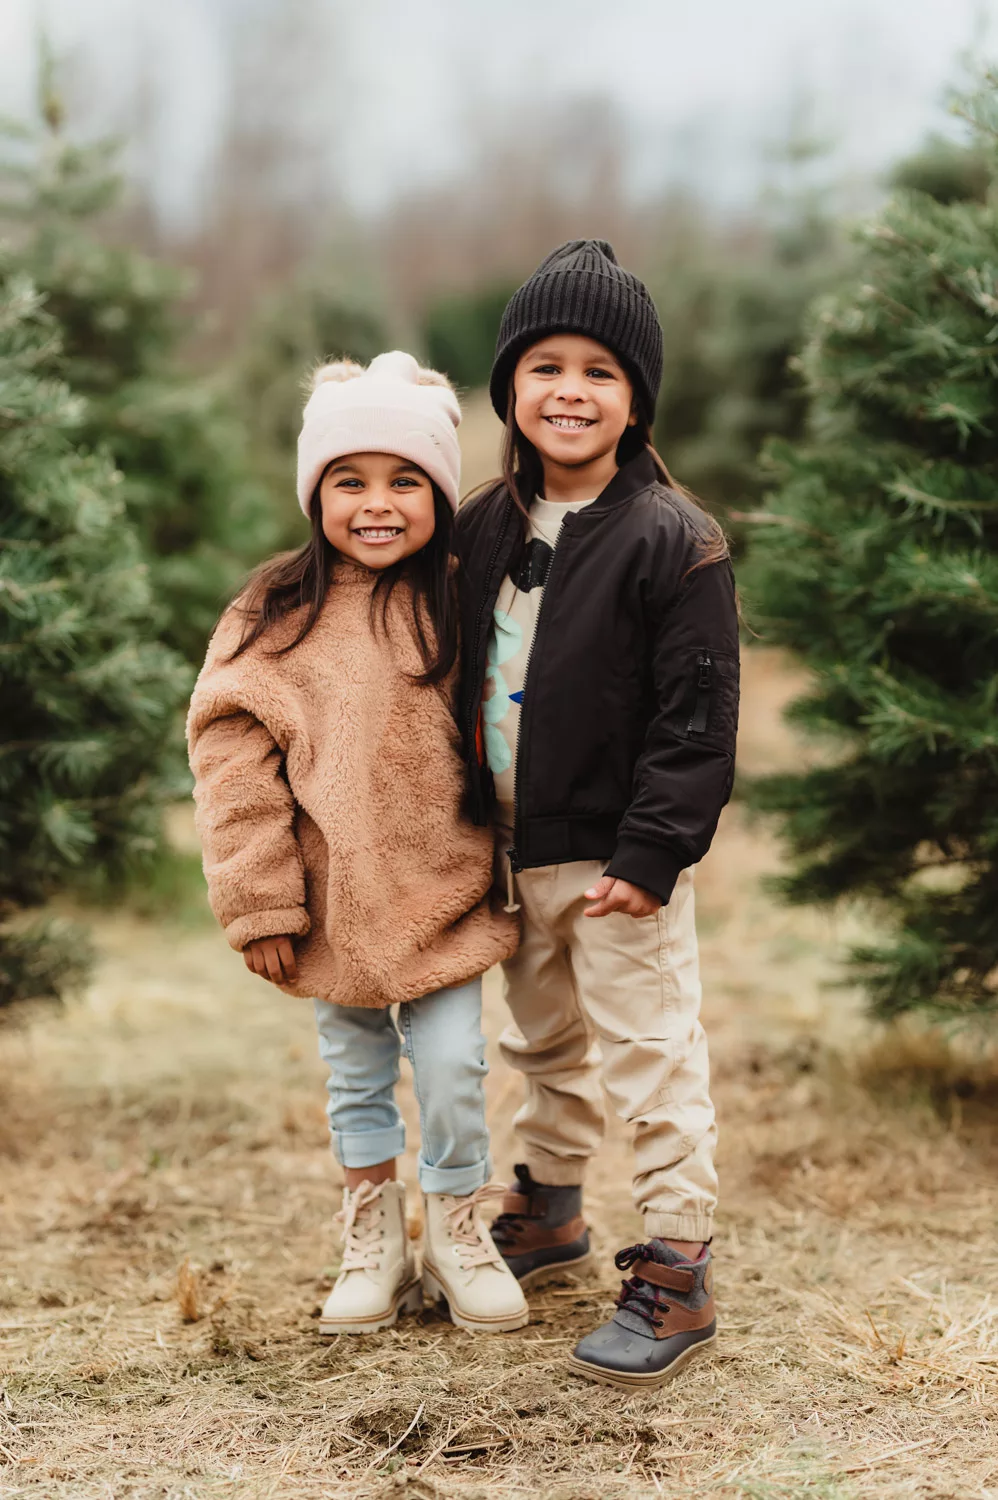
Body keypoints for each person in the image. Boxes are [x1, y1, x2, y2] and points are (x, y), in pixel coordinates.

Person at [187, 352, 527, 1337]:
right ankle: (371, 1238)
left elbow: (512, 731)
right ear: (315, 493)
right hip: (329, 911)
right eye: (349, 481)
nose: (376, 504)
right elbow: (231, 763)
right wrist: (259, 904)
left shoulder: (464, 602)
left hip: (446, 897)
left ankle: (458, 1232)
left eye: (403, 481)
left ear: (436, 491)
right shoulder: (273, 613)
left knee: (457, 1070)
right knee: (356, 1080)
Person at [454, 241, 739, 1387]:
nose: (569, 390)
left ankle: (674, 1266)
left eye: (599, 372)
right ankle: (552, 1209)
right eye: (545, 366)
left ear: (634, 401)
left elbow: (696, 718)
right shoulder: (477, 527)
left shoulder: (673, 540)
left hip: (619, 861)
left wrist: (655, 848)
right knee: (539, 1043)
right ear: (511, 391)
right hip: (512, 852)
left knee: (647, 1053)